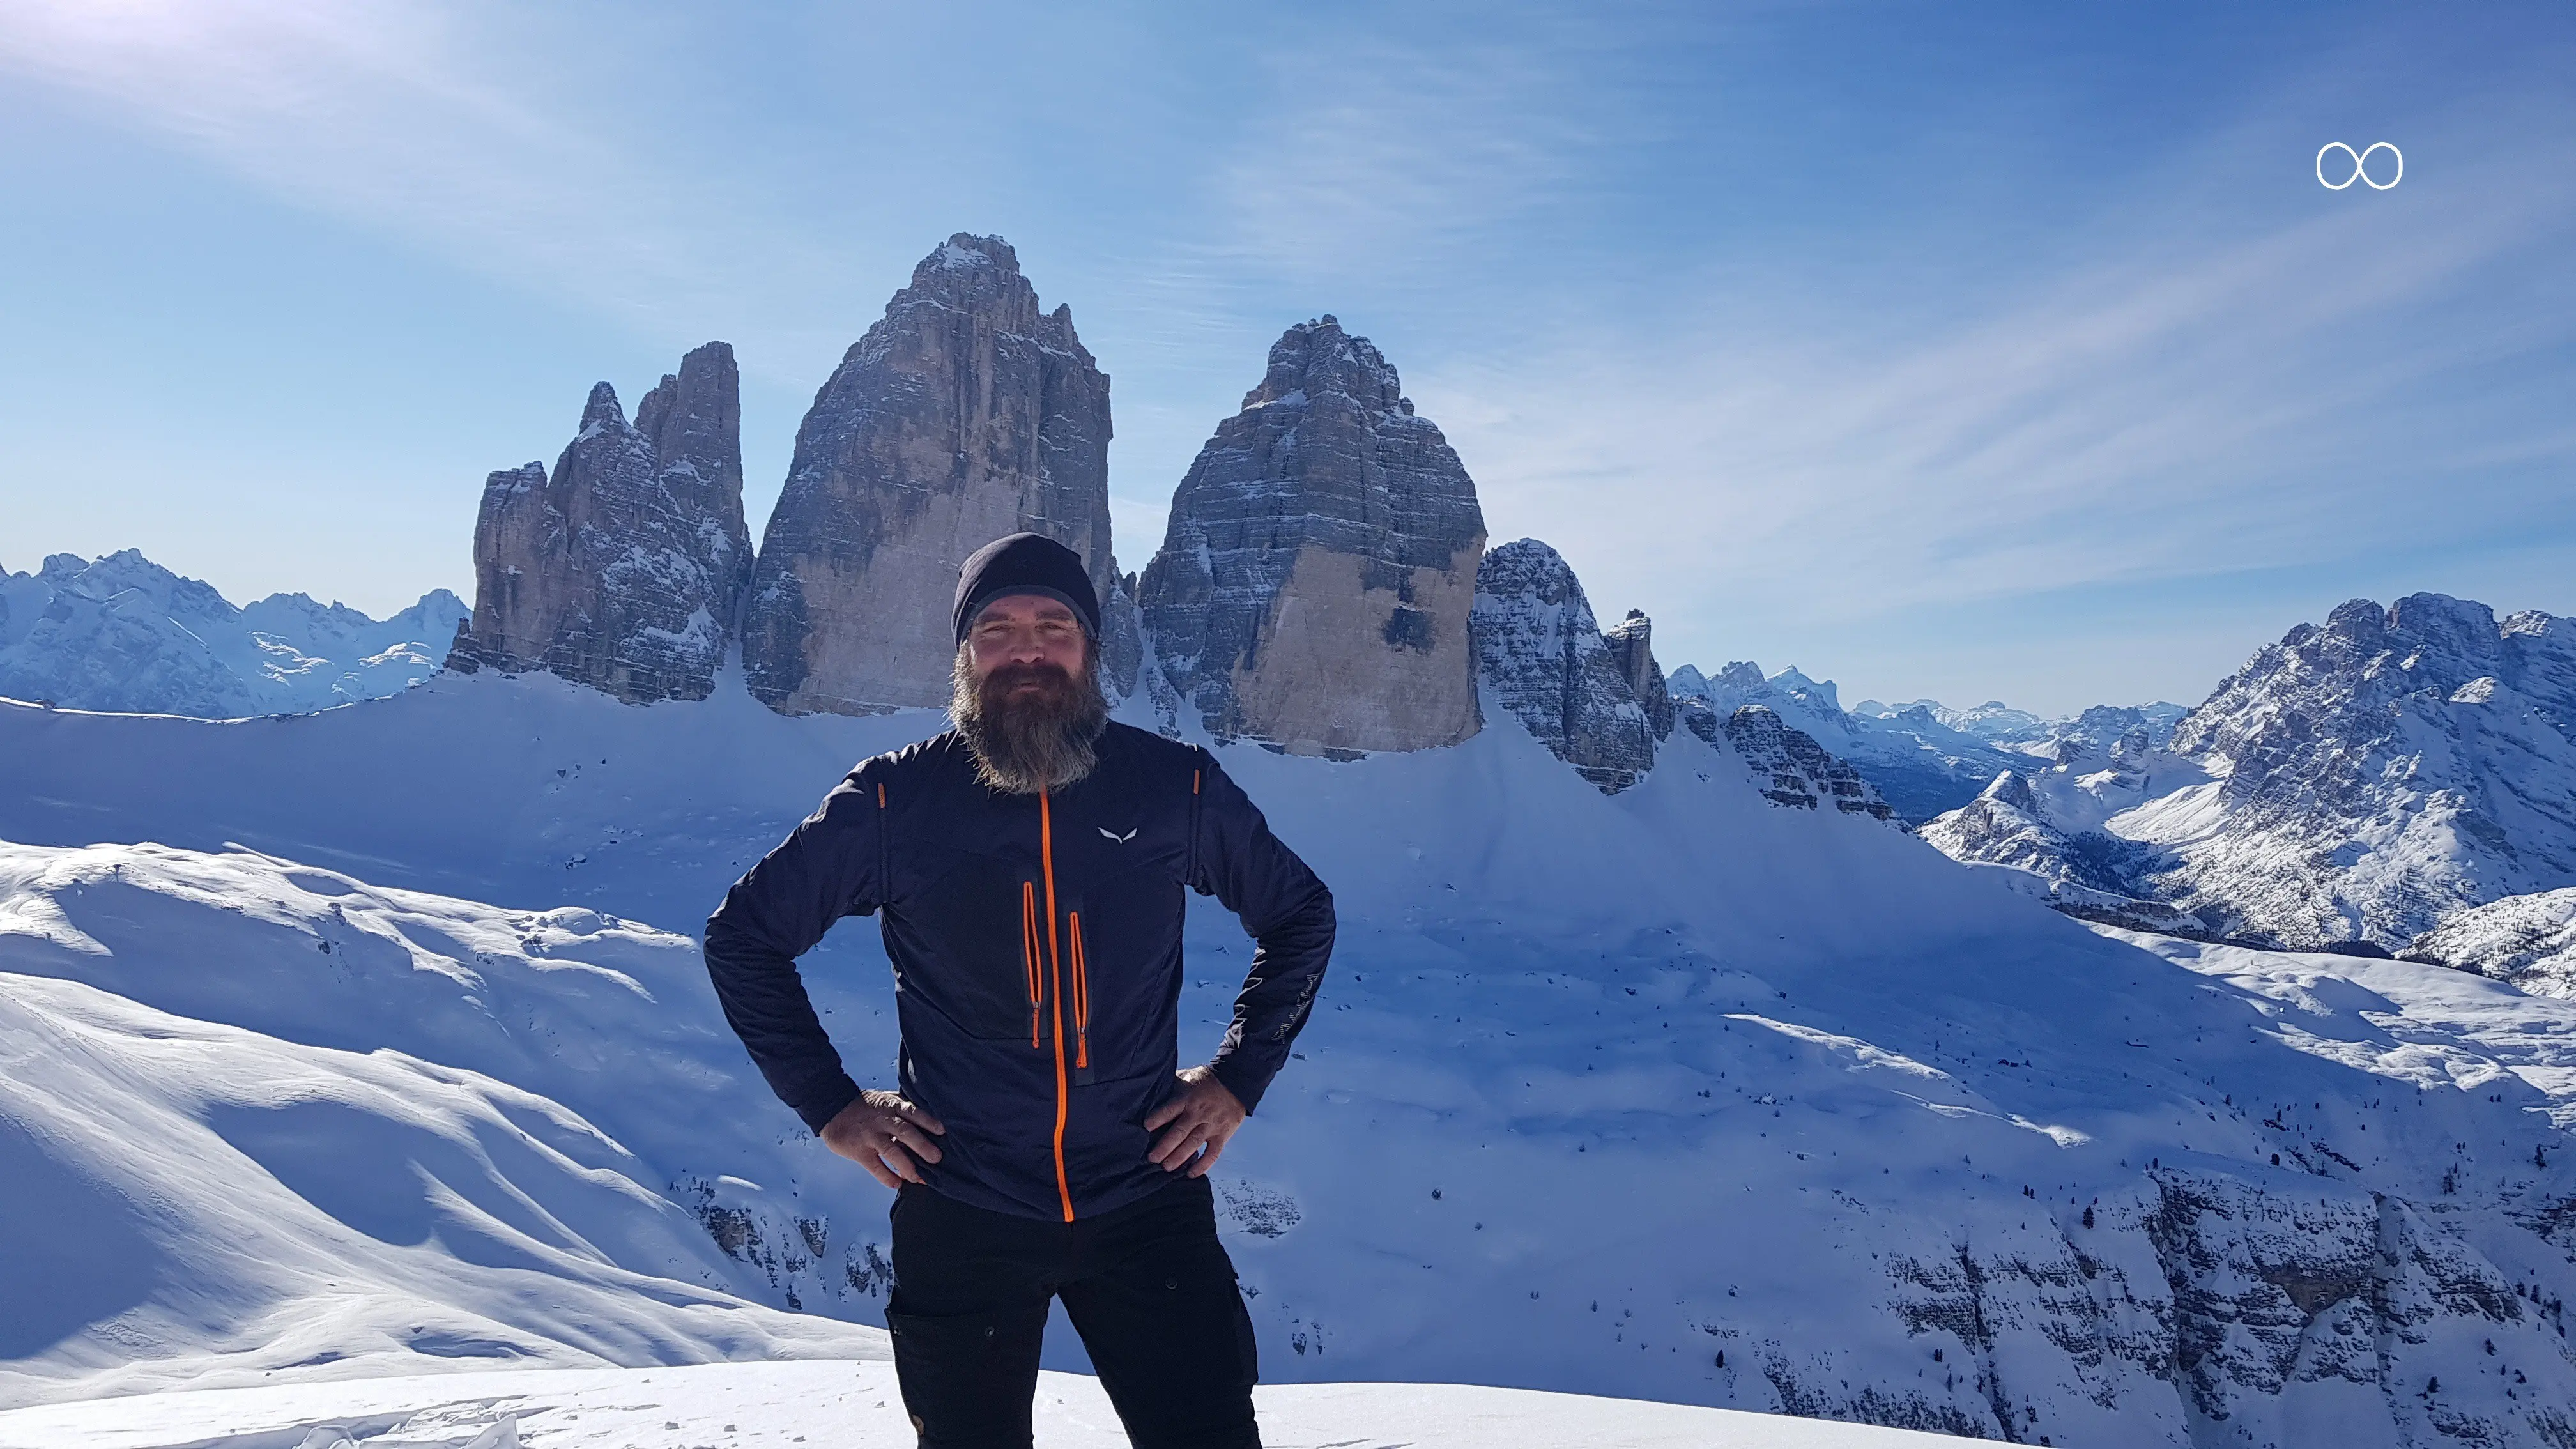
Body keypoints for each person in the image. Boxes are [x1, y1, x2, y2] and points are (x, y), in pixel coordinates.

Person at [703, 531, 1335, 1449]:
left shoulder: (1172, 789)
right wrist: (832, 1107)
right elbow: (744, 937)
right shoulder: (896, 802)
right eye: (995, 630)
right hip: (965, 1210)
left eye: (1053, 625)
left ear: (1090, 645)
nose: (1027, 650)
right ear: (963, 653)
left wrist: (1239, 1079)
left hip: (1143, 1200)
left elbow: (1301, 915)